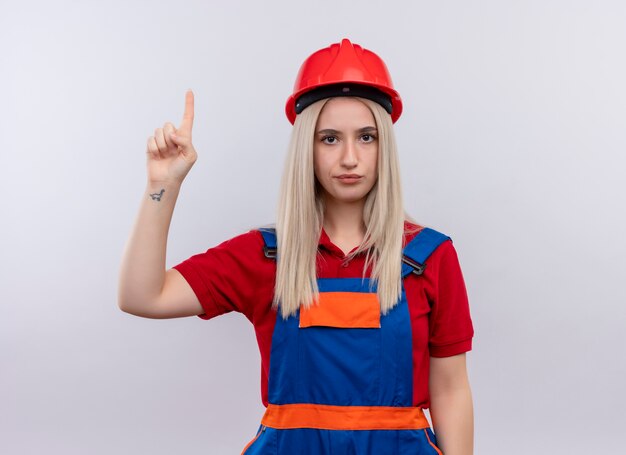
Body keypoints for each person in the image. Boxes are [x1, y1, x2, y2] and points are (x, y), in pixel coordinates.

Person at [118, 38, 474, 455]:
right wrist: (162, 186)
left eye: (366, 137)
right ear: (306, 145)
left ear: (385, 147)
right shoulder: (265, 257)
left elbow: (451, 390)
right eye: (329, 139)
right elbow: (141, 296)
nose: (349, 158)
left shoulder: (429, 257)